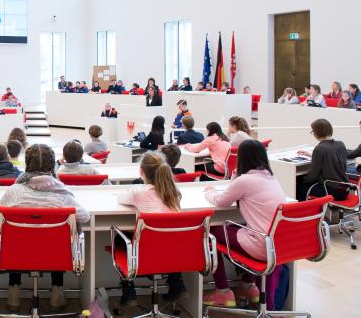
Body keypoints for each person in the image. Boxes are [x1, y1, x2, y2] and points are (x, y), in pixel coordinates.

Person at [0, 144, 89, 310]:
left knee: (17, 236)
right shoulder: (62, 194)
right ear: (52, 165)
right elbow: (85, 217)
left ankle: (14, 295)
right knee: (59, 238)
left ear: (27, 165)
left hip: (17, 255)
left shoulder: (14, 191)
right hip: (55, 256)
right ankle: (57, 295)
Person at [202, 140, 286, 308]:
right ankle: (249, 286)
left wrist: (210, 191)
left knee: (208, 233)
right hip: (278, 245)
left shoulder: (246, 180)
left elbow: (221, 201)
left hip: (260, 244)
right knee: (234, 228)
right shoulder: (270, 178)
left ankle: (223, 291)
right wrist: (235, 176)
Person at [116, 152, 185, 306]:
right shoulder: (175, 194)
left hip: (144, 253)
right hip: (173, 252)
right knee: (170, 238)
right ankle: (177, 283)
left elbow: (120, 198)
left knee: (119, 238)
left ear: (141, 172)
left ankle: (129, 290)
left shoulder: (138, 192)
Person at [296, 119, 349, 201]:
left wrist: (302, 179)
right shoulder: (340, 144)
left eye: (312, 132)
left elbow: (312, 175)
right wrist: (312, 155)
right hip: (345, 189)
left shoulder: (320, 149)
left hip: (333, 191)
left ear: (317, 132)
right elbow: (332, 157)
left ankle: (306, 212)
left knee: (298, 186)